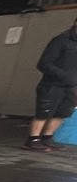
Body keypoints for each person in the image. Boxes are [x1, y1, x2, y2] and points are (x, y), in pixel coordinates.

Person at [25, 15, 77, 151]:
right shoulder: (61, 40)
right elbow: (43, 64)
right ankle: (33, 139)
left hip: (71, 87)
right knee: (44, 112)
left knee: (63, 113)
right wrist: (64, 75)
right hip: (52, 85)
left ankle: (48, 137)